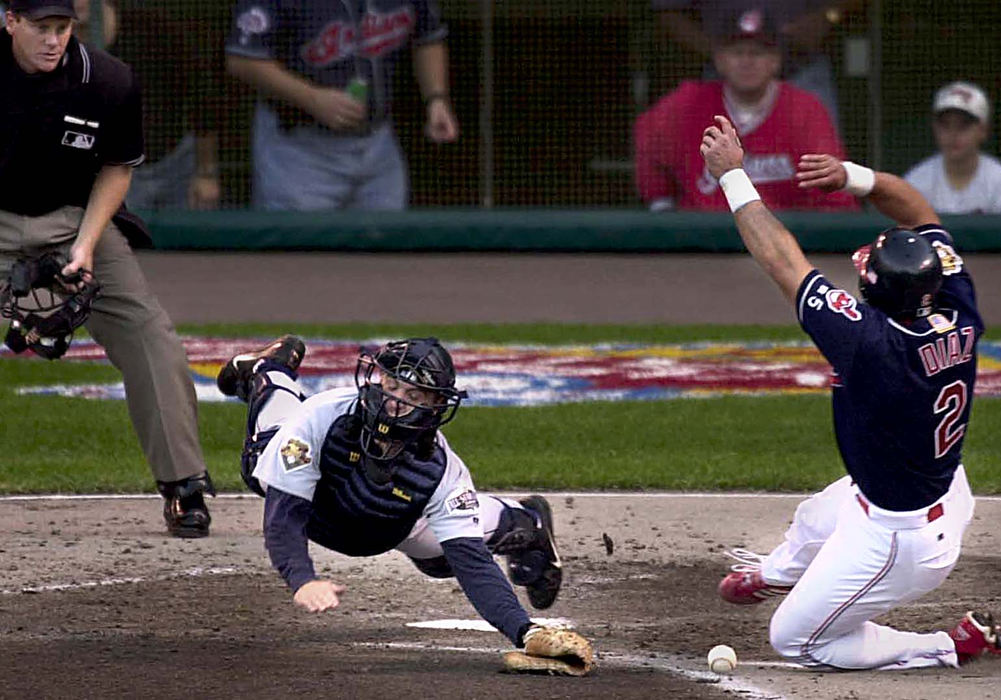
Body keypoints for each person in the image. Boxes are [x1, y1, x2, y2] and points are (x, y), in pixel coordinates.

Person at [699, 114, 1001, 669]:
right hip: (939, 487)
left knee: (794, 641)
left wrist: (732, 177)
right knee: (816, 516)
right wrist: (850, 176)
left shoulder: (871, 344)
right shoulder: (954, 300)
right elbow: (920, 211)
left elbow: (781, 260)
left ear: (880, 295)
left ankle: (946, 646)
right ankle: (773, 573)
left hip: (901, 536)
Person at [216, 335, 594, 672]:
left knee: (440, 561)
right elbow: (284, 518)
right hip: (316, 501)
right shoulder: (322, 417)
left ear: (434, 404)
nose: (395, 401)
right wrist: (302, 579)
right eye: (391, 384)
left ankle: (526, 521)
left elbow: (473, 564)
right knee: (261, 460)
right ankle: (269, 368)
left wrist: (523, 631)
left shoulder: (441, 472)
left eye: (412, 395)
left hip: (390, 525)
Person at [1, 0, 215, 537]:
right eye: (41, 28)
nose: (54, 40)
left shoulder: (109, 80)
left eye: (63, 28)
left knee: (149, 334)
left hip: (78, 217)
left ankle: (183, 485)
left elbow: (117, 168)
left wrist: (87, 246)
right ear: (11, 22)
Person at [224, 0, 458, 211]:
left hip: (379, 146)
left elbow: (428, 37)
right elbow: (242, 59)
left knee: (384, 252)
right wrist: (311, 98)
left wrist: (436, 98)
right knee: (302, 254)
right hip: (300, 152)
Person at [635, 5, 857, 212]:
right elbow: (648, 146)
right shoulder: (686, 104)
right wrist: (661, 205)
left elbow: (833, 193)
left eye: (757, 53)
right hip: (704, 242)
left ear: (775, 61)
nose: (747, 62)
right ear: (719, 60)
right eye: (737, 52)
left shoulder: (806, 110)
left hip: (784, 238)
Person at [74, 0, 224, 211]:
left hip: (174, 166)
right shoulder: (48, 45)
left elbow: (201, 100)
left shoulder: (152, 28)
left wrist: (205, 173)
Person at [651, 0, 864, 128]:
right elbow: (667, 10)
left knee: (821, 170)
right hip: (722, 80)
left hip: (802, 67)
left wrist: (828, 15)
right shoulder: (682, 104)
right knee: (717, 167)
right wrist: (722, 56)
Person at [904, 81, 1001, 215]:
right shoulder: (916, 181)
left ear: (983, 131)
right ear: (935, 129)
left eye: (963, 126)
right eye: (946, 125)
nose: (953, 134)